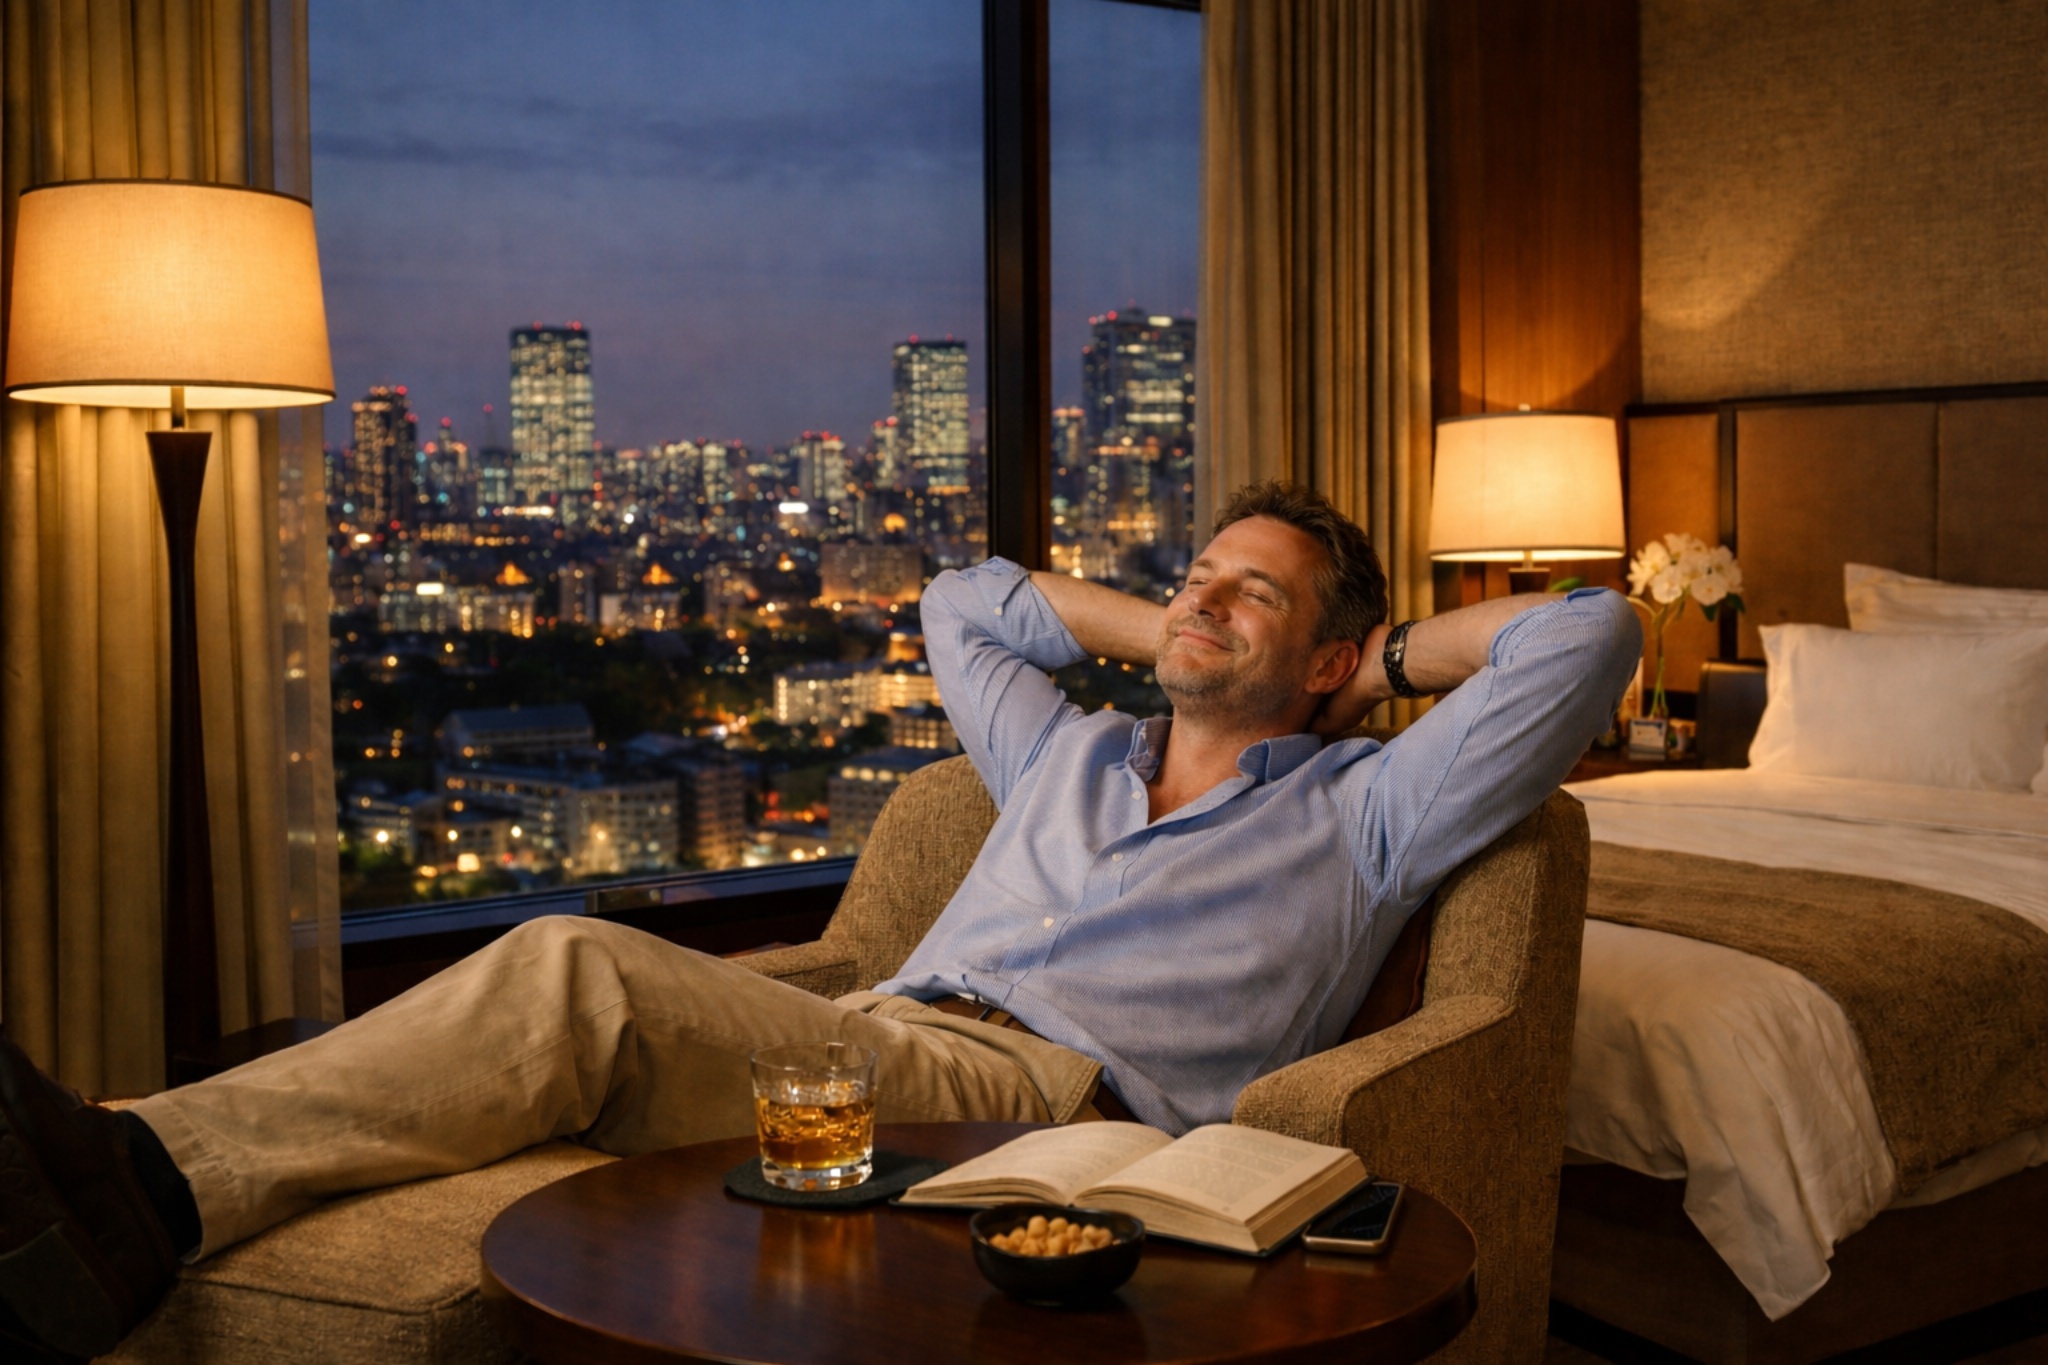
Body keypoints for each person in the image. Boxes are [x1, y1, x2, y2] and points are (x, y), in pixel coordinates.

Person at [0, 481, 1638, 1356]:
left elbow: (1590, 635)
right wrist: (1183, 627)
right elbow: (962, 601)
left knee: (577, 968)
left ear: (1334, 657)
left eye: (1252, 591)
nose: (1202, 595)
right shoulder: (1068, 747)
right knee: (556, 1030)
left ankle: (136, 1176)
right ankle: (110, 1178)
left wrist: (1376, 659)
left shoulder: (1365, 810)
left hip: (1045, 1109)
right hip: (870, 1050)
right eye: (1193, 572)